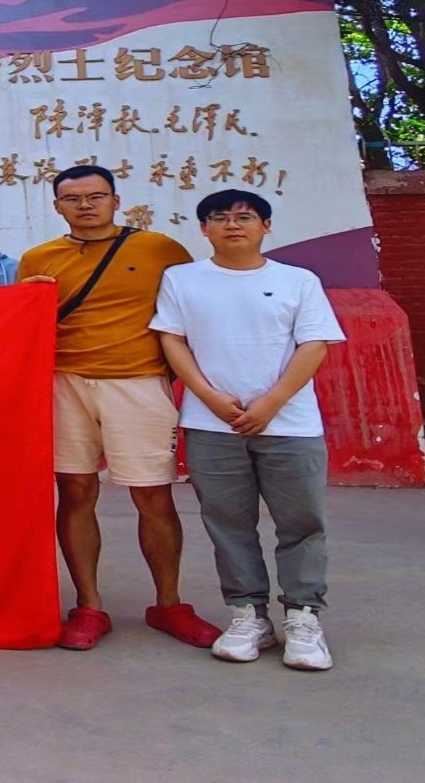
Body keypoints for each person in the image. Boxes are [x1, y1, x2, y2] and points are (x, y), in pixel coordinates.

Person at [17, 165, 218, 652]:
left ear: (116, 200)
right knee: (75, 491)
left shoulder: (159, 249)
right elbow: (25, 327)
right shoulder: (38, 258)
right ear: (57, 206)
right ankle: (88, 606)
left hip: (137, 382)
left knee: (153, 495)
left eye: (96, 196)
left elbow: (191, 311)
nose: (85, 205)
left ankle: (169, 603)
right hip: (62, 383)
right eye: (73, 198)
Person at [152, 189, 346, 671]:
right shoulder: (181, 278)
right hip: (211, 424)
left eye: (245, 217)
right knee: (228, 524)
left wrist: (272, 402)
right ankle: (248, 616)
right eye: (219, 218)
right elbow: (172, 340)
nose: (232, 225)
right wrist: (209, 397)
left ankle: (303, 617)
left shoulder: (298, 280)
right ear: (204, 229)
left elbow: (314, 344)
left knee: (301, 524)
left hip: (291, 425)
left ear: (266, 225)